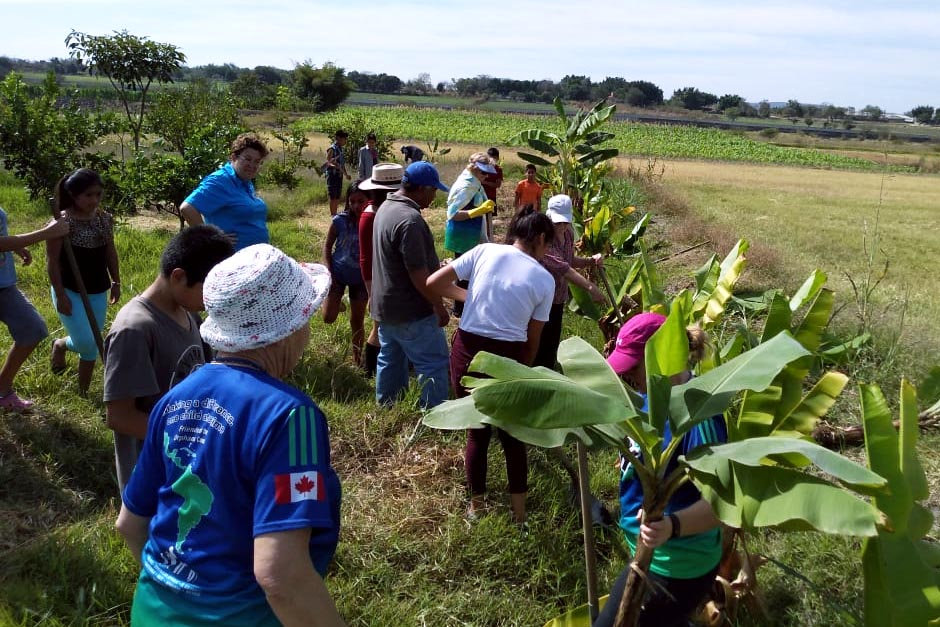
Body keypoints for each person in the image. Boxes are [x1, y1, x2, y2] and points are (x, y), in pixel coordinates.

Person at [116, 244, 344, 627]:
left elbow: (130, 523)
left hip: (152, 610)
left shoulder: (175, 399)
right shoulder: (291, 416)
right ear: (289, 327)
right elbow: (281, 577)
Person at [593, 313, 724, 627]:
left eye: (635, 366)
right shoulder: (652, 398)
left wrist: (672, 525)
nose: (630, 376)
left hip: (677, 566)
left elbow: (722, 506)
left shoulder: (700, 416)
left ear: (664, 356)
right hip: (650, 555)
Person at [426, 211, 555, 523]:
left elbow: (434, 282)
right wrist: (522, 370)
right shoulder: (544, 278)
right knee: (513, 436)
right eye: (548, 245)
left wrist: (468, 297)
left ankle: (476, 507)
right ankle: (520, 516)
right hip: (507, 355)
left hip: (467, 350)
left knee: (477, 432)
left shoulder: (485, 250)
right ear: (539, 239)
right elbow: (532, 338)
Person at [103, 225, 234, 493]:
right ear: (178, 277)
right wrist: (193, 437)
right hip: (152, 479)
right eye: (208, 289)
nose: (213, 299)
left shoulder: (191, 316)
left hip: (187, 470)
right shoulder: (135, 329)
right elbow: (120, 416)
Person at [370, 161, 450, 408]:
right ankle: (435, 416)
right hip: (411, 309)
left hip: (386, 307)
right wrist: (438, 305)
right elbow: (417, 273)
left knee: (390, 359)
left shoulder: (385, 208)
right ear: (423, 188)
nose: (434, 196)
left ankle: (388, 408)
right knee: (433, 363)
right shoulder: (411, 220)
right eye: (433, 190)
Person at [47, 168, 120, 396]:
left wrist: (116, 280)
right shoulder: (61, 223)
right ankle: (61, 344)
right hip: (70, 289)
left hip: (98, 288)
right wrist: (60, 295)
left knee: (91, 343)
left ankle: (83, 392)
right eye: (88, 195)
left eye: (98, 194)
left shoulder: (104, 219)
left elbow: (110, 252)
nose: (94, 200)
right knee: (87, 343)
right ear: (73, 195)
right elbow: (52, 261)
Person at [0, 209, 69, 410]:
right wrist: (46, 233)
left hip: (4, 286)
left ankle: (2, 390)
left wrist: (15, 247)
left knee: (32, 329)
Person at [534, 195, 606, 369]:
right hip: (541, 298)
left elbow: (569, 259)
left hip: (559, 296)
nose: (561, 226)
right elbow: (564, 268)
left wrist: (590, 261)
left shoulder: (568, 233)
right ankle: (538, 371)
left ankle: (549, 368)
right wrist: (591, 287)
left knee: (552, 338)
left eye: (565, 222)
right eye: (557, 223)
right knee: (539, 340)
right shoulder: (544, 239)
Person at [180, 133, 270, 251]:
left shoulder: (244, 181)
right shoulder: (220, 181)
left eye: (257, 161)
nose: (252, 165)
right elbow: (187, 208)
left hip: (254, 257)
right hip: (231, 259)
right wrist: (209, 238)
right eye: (248, 159)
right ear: (234, 157)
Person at [357, 163, 404, 376]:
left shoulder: (382, 210)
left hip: (386, 278)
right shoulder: (371, 215)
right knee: (378, 327)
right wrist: (371, 291)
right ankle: (371, 371)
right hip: (377, 280)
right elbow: (366, 258)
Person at [444, 152, 498, 317]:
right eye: (483, 172)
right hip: (463, 235)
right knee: (464, 273)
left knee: (470, 271)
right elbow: (453, 214)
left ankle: (465, 305)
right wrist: (479, 210)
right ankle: (459, 309)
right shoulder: (466, 185)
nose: (485, 175)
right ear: (474, 168)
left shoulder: (475, 182)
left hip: (473, 232)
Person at [322, 182, 369, 367]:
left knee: (357, 320)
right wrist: (328, 271)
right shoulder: (339, 221)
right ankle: (337, 303)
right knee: (328, 317)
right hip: (338, 274)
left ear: (369, 200)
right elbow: (326, 246)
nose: (356, 206)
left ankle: (358, 359)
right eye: (352, 201)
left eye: (361, 201)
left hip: (361, 279)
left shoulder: (373, 221)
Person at [324, 130, 350, 216]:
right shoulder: (332, 149)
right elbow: (328, 162)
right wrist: (334, 166)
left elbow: (342, 165)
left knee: (338, 196)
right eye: (344, 139)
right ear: (338, 138)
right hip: (332, 176)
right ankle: (333, 215)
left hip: (339, 176)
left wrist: (346, 175)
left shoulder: (341, 150)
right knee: (333, 196)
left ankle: (335, 214)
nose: (345, 141)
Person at [481, 147, 504, 227]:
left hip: (491, 197)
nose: (492, 160)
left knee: (489, 218)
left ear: (497, 158)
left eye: (494, 158)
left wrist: (485, 182)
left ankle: (488, 236)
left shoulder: (498, 170)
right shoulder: (482, 167)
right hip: (480, 196)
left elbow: (498, 185)